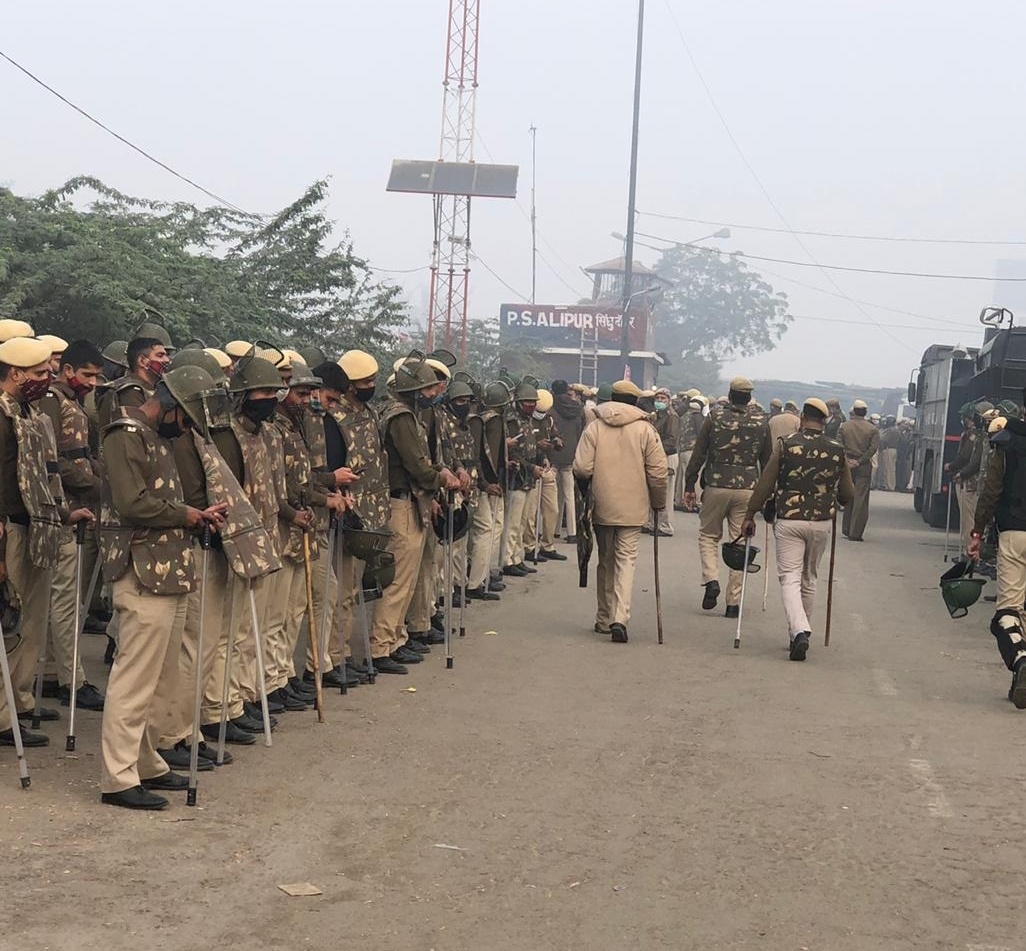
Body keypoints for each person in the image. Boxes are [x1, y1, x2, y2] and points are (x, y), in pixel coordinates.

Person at [99, 365, 227, 809]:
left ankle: (145, 760)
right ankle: (118, 777)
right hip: (140, 569)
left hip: (168, 568)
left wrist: (198, 514)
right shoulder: (125, 434)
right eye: (187, 417)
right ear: (170, 406)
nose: (188, 427)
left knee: (161, 677)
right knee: (135, 678)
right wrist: (188, 515)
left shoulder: (156, 436)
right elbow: (131, 502)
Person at [0, 337, 93, 750]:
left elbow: (40, 476)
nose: (46, 380)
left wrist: (61, 514)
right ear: (15, 373)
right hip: (9, 530)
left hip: (37, 526)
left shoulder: (30, 414)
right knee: (11, 624)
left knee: (32, 624)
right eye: (39, 374)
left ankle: (17, 704)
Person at [741, 399, 854, 661]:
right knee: (809, 577)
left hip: (790, 519)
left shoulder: (786, 444)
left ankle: (799, 630)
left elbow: (765, 484)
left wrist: (750, 514)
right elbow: (848, 493)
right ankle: (798, 633)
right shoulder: (837, 450)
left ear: (802, 417)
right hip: (822, 522)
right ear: (824, 421)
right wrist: (836, 500)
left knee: (790, 578)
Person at [371, 358, 460, 673]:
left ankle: (396, 639)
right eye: (424, 388)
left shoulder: (396, 412)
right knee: (398, 582)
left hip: (410, 499)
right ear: (412, 389)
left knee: (406, 581)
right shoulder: (403, 417)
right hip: (402, 503)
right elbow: (417, 465)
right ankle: (383, 645)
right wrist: (441, 478)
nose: (429, 392)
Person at [39, 339, 107, 711]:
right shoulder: (53, 399)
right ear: (67, 370)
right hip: (63, 511)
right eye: (87, 375)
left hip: (80, 508)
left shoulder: (76, 402)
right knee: (65, 601)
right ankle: (72, 679)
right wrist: (94, 484)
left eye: (97, 376)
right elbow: (51, 461)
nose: (93, 382)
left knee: (65, 599)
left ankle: (52, 673)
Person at [573, 379, 667, 643]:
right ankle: (620, 618)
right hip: (633, 507)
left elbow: (581, 468)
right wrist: (658, 502)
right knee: (626, 561)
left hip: (601, 505)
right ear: (636, 401)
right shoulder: (646, 430)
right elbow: (658, 473)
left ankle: (603, 618)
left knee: (605, 561)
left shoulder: (594, 427)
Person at [683, 377, 772, 618]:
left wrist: (690, 483)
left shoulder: (715, 418)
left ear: (730, 395)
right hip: (748, 488)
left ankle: (711, 579)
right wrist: (768, 494)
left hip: (716, 484)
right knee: (741, 541)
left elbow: (699, 453)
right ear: (749, 397)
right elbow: (767, 461)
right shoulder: (762, 422)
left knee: (708, 535)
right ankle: (733, 602)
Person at [968, 404, 1026, 708]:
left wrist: (977, 532)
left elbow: (990, 491)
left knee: (1008, 611)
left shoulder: (1006, 441)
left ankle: (1020, 661)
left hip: (1014, 533)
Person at [838, 400, 879, 542]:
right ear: (865, 412)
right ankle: (855, 533)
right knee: (860, 500)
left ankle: (846, 528)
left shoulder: (844, 426)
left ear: (854, 411)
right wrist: (860, 461)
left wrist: (847, 460)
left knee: (848, 495)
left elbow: (839, 445)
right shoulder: (872, 429)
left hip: (847, 464)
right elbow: (873, 448)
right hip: (863, 466)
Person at [549, 380, 584, 544]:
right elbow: (580, 431)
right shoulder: (578, 409)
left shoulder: (550, 407)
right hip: (571, 454)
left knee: (553, 496)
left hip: (553, 454)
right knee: (569, 494)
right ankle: (572, 532)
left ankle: (552, 530)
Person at [643, 387, 679, 537]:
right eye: (657, 398)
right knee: (653, 490)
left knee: (666, 493)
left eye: (663, 399)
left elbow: (671, 439)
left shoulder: (672, 417)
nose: (659, 401)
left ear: (669, 400)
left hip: (667, 456)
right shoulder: (656, 416)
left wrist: (655, 449)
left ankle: (665, 525)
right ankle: (652, 523)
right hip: (655, 456)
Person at [675, 396, 705, 509]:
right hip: (692, 449)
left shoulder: (684, 416)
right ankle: (694, 502)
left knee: (682, 476)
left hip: (682, 449)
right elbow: (701, 433)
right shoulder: (697, 416)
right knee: (693, 476)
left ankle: (679, 500)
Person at [877, 416, 901, 492]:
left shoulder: (890, 430)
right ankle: (891, 485)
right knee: (892, 469)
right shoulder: (897, 430)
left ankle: (889, 486)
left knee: (888, 469)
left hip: (889, 449)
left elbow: (882, 439)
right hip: (895, 449)